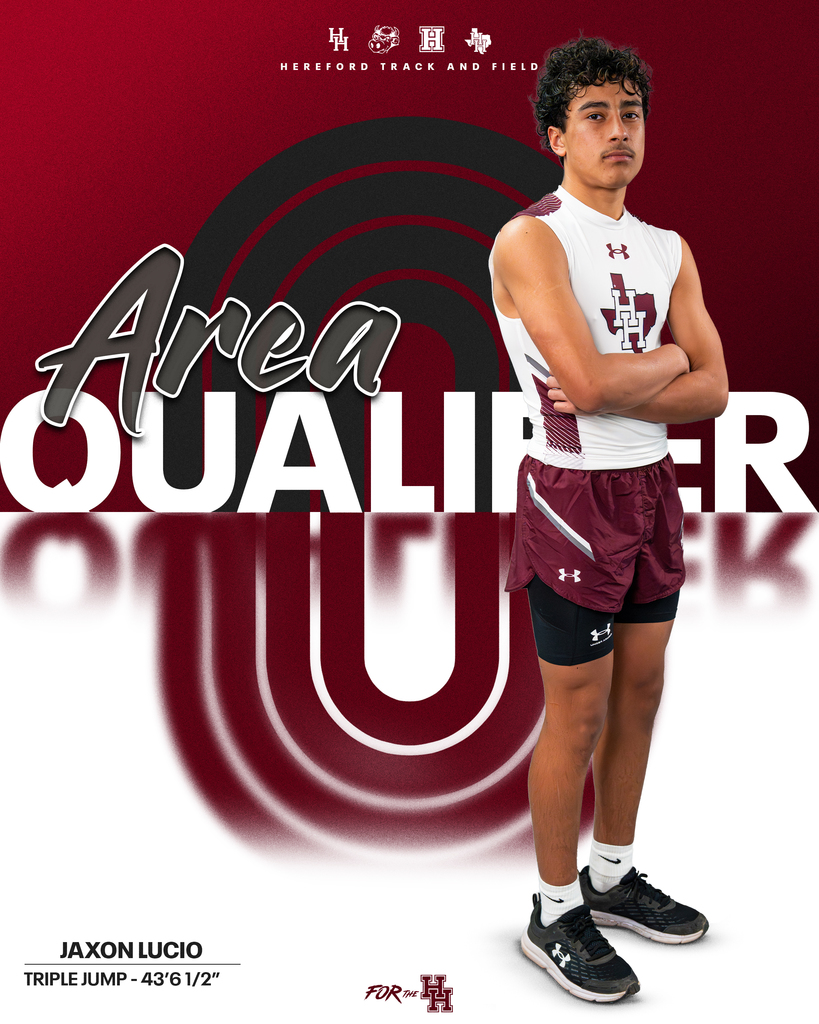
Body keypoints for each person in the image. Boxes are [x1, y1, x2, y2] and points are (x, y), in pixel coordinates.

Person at [489, 37, 728, 1002]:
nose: (617, 130)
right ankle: (552, 911)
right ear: (556, 134)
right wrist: (670, 359)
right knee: (576, 711)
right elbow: (581, 387)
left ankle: (613, 878)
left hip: (653, 489)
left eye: (629, 114)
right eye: (594, 114)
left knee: (639, 696)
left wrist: (664, 374)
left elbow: (715, 394)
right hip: (572, 493)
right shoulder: (531, 238)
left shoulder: (670, 248)